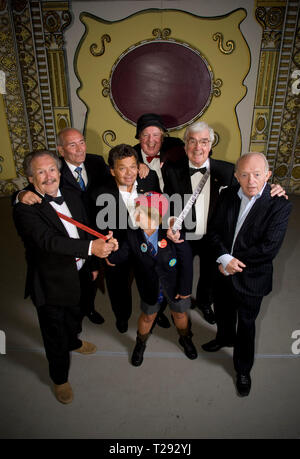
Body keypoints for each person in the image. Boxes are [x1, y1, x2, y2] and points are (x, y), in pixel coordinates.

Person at [13, 150, 118, 404]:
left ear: (60, 172)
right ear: (30, 178)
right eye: (41, 172)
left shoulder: (72, 194)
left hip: (80, 272)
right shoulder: (24, 208)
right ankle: (59, 378)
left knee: (75, 316)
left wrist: (91, 262)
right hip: (51, 283)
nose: (49, 177)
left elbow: (84, 228)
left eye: (52, 170)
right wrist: (93, 249)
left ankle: (73, 340)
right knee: (53, 334)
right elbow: (48, 241)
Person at [163, 121, 286, 325]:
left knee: (210, 274)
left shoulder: (228, 171)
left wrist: (274, 188)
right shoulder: (171, 170)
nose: (197, 147)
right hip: (184, 234)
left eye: (203, 141)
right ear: (185, 146)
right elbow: (168, 201)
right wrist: (172, 220)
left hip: (214, 236)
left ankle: (204, 303)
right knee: (177, 269)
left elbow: (251, 183)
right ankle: (177, 302)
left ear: (211, 145)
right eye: (192, 141)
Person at [202, 152, 292, 396]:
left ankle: (243, 368)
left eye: (257, 174)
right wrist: (224, 258)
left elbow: (268, 248)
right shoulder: (228, 195)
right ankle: (223, 337)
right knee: (223, 310)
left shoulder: (280, 204)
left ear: (268, 176)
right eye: (244, 174)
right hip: (223, 268)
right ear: (236, 176)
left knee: (247, 324)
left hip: (252, 277)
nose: (251, 180)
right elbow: (214, 231)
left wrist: (232, 263)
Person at [14, 128, 111, 325]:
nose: (79, 148)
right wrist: (18, 196)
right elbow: (47, 239)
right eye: (71, 145)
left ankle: (86, 312)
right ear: (61, 150)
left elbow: (111, 186)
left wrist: (92, 261)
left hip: (87, 244)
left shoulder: (96, 162)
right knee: (57, 326)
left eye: (81, 142)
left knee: (85, 295)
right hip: (56, 272)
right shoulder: (36, 194)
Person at [107, 192, 197, 366]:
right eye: (136, 211)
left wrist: (185, 290)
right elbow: (115, 259)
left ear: (156, 216)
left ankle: (185, 338)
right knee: (148, 317)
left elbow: (186, 261)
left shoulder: (172, 233)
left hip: (175, 287)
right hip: (150, 288)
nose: (136, 216)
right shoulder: (132, 235)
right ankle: (140, 343)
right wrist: (111, 247)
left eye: (143, 212)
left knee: (179, 314)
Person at [92, 144, 170, 333]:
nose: (129, 173)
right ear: (112, 171)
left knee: (151, 280)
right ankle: (122, 316)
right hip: (118, 247)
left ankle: (155, 312)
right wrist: (103, 250)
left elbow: (160, 209)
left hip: (145, 243)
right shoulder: (99, 192)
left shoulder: (149, 178)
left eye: (133, 166)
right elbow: (96, 226)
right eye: (122, 168)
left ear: (138, 165)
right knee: (117, 286)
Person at [133, 113, 186, 191]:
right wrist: (135, 164)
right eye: (145, 135)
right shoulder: (132, 155)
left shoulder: (174, 145)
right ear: (139, 137)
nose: (151, 140)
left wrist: (168, 155)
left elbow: (199, 153)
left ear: (162, 137)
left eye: (156, 135)